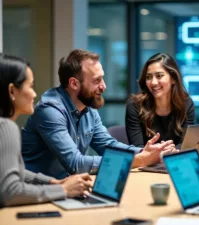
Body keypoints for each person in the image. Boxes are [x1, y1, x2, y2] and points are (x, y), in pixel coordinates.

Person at [21, 49, 174, 179]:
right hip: (36, 192)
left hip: (67, 187)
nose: (104, 86)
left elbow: (109, 146)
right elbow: (76, 163)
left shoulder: (88, 109)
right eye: (97, 80)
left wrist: (146, 152)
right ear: (74, 83)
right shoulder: (50, 111)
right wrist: (138, 160)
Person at [0, 54, 92, 207]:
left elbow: (11, 172)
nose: (35, 94)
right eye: (30, 86)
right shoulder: (6, 127)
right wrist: (62, 189)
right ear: (11, 91)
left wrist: (52, 182)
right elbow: (10, 191)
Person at [126, 53, 194, 149]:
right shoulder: (135, 105)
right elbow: (138, 149)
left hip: (175, 161)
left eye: (159, 76)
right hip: (146, 162)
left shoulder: (186, 103)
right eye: (149, 77)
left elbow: (185, 145)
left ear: (173, 78)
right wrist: (157, 153)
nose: (153, 82)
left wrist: (171, 152)